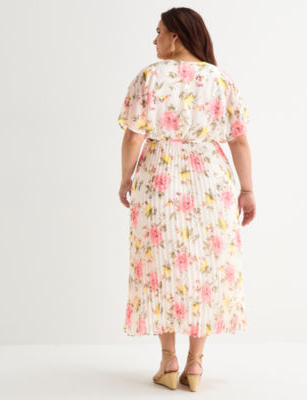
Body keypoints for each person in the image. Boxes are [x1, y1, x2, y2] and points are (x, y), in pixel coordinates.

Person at [117, 7, 256, 392]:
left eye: (159, 32)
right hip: (211, 180)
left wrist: (126, 177)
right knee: (204, 268)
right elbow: (239, 141)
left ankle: (168, 360)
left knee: (161, 265)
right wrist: (247, 190)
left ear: (175, 36)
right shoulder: (221, 80)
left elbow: (133, 135)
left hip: (159, 178)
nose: (155, 39)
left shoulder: (150, 77)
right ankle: (195, 364)